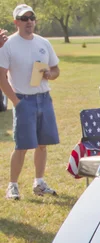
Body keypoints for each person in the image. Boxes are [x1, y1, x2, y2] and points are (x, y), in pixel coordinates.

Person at [0, 4, 60, 200]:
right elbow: (1, 77)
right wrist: (16, 102)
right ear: (16, 22)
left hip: (44, 99)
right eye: (24, 18)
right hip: (23, 100)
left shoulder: (44, 43)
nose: (29, 22)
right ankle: (12, 186)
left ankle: (39, 182)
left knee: (42, 144)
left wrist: (50, 75)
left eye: (31, 17)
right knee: (22, 146)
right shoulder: (7, 45)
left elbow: (55, 69)